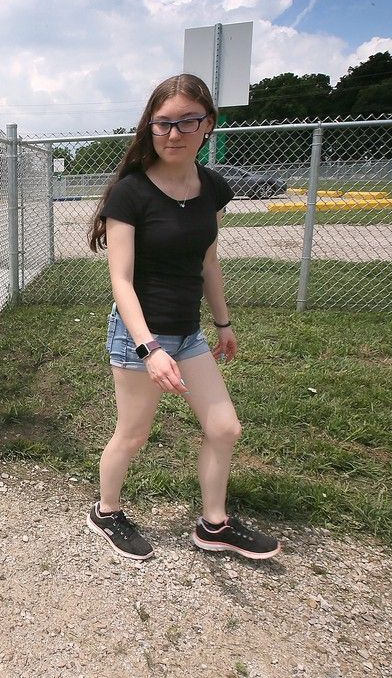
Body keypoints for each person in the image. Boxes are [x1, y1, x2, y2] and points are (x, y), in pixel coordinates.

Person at [85, 73, 280, 561]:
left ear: (208, 125)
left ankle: (214, 525)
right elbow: (121, 282)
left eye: (187, 122)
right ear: (149, 128)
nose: (174, 134)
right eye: (163, 123)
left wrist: (224, 323)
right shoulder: (129, 193)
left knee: (224, 429)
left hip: (189, 334)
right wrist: (149, 348)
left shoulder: (212, 187)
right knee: (133, 434)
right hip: (138, 335)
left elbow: (208, 260)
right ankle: (106, 511)